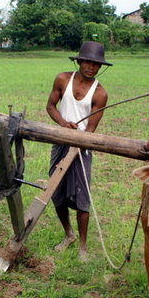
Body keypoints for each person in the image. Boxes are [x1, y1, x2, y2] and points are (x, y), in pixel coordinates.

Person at [45, 41, 110, 261]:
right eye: (88, 62)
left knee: (82, 198)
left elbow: (90, 129)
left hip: (82, 149)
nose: (91, 67)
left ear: (100, 67)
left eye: (96, 64)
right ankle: (68, 235)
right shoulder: (63, 79)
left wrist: (79, 138)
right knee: (56, 192)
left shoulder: (100, 93)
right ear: (79, 61)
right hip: (59, 141)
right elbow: (50, 106)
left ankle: (82, 246)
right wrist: (64, 124)